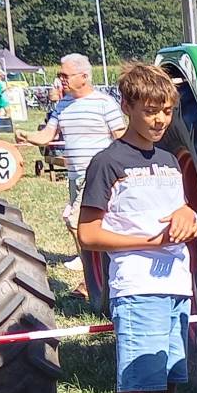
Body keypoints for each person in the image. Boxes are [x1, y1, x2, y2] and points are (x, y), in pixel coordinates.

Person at [58, 63, 197, 393]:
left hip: (175, 287)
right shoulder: (108, 162)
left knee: (162, 390)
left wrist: (186, 215)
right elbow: (88, 233)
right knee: (136, 392)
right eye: (149, 111)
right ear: (127, 107)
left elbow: (177, 212)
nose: (159, 120)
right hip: (138, 289)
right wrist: (147, 240)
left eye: (165, 111)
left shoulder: (166, 161)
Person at [20, 54, 124, 287]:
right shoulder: (63, 105)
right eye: (60, 76)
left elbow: (120, 137)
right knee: (84, 224)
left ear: (84, 76)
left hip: (98, 176)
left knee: (75, 221)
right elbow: (48, 135)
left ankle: (93, 279)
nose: (61, 81)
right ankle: (92, 271)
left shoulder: (104, 103)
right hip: (74, 177)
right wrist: (26, 136)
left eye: (65, 76)